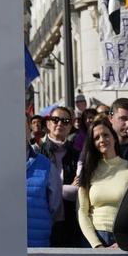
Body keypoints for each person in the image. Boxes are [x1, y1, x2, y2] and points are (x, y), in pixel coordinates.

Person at [77, 117, 128, 249]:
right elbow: (82, 211)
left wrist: (123, 241)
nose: (102, 140)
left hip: (123, 237)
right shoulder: (88, 171)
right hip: (93, 237)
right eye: (96, 137)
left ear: (114, 137)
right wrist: (96, 245)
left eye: (105, 135)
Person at [36, 105, 81, 246]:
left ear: (71, 126)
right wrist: (67, 189)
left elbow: (79, 191)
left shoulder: (77, 155)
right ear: (48, 123)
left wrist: (55, 189)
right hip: (43, 218)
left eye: (65, 121)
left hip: (71, 219)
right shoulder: (37, 153)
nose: (60, 124)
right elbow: (39, 189)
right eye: (55, 120)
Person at [26, 116, 61, 249]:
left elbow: (55, 206)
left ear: (28, 129)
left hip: (38, 245)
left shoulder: (46, 165)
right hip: (3, 247)